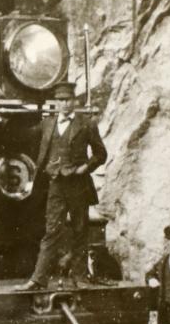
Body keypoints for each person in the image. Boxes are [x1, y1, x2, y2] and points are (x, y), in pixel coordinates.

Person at [20, 82, 107, 290]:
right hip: (56, 185)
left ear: (75, 101)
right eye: (60, 100)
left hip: (78, 185)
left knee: (79, 230)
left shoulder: (87, 124)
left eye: (68, 100)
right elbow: (26, 136)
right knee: (51, 231)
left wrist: (84, 168)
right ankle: (38, 278)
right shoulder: (47, 123)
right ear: (56, 102)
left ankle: (80, 278)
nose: (64, 104)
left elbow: (101, 154)